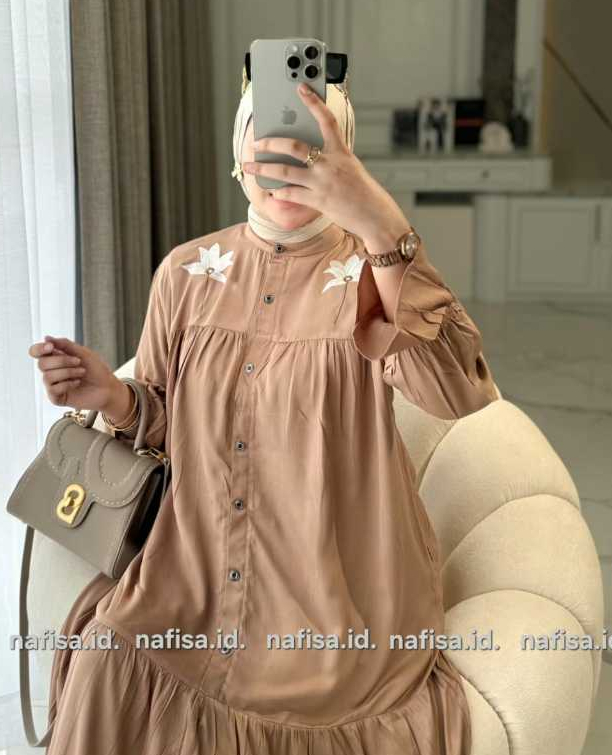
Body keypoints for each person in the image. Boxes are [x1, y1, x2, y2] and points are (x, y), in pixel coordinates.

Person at [27, 69, 499, 754]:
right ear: (238, 153)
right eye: (268, 139)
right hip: (191, 569)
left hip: (332, 582)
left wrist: (378, 219)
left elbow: (455, 390)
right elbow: (170, 429)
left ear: (344, 157)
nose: (288, 161)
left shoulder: (376, 271)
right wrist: (113, 397)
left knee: (311, 704)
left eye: (312, 143)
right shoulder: (185, 273)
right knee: (109, 659)